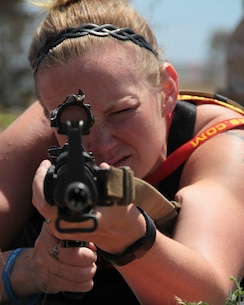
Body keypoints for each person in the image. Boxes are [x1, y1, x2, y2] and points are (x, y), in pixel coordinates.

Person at [0, 0, 244, 304]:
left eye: (122, 112)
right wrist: (27, 268)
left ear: (167, 91)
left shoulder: (224, 143)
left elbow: (208, 293)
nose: (100, 143)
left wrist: (128, 238)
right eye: (73, 122)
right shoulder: (49, 122)